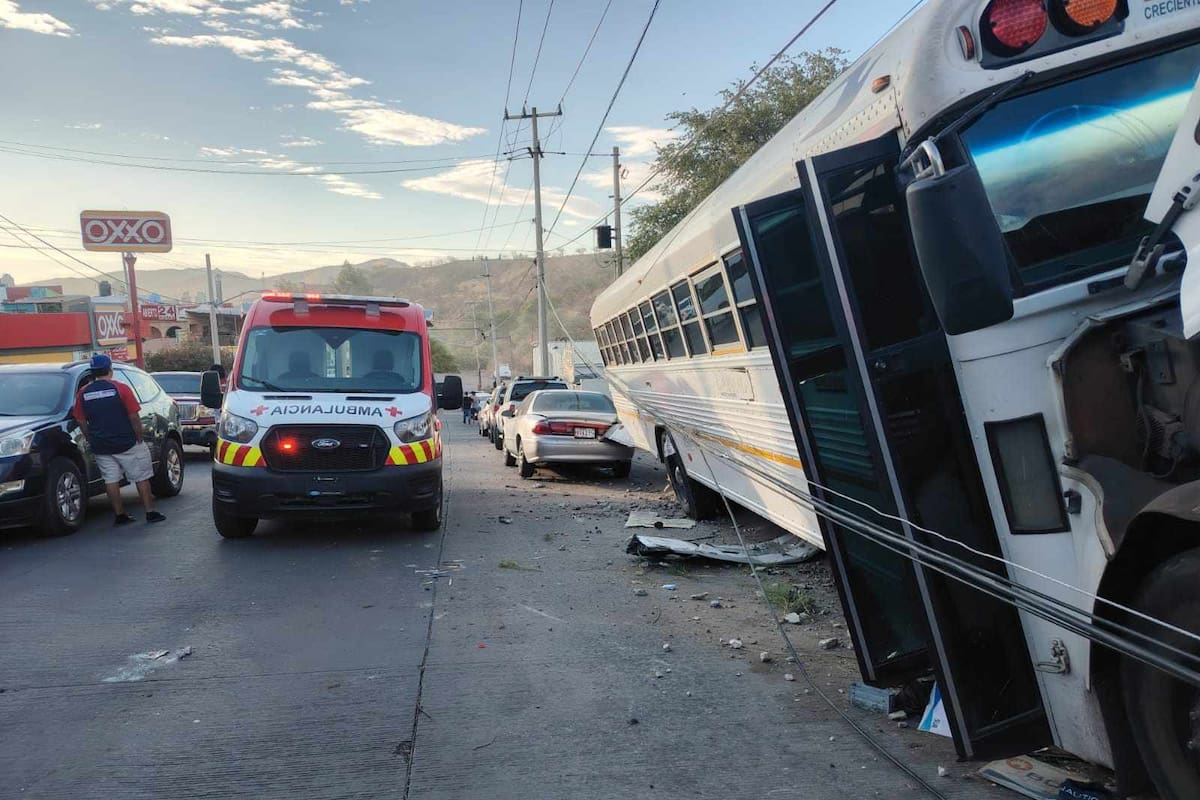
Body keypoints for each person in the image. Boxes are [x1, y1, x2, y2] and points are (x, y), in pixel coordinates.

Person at [73, 354, 165, 525]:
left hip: (101, 445)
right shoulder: (121, 389)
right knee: (141, 477)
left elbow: (80, 419)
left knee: (111, 480)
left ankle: (120, 514)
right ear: (110, 370)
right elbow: (134, 416)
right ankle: (150, 512)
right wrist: (138, 437)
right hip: (127, 442)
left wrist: (90, 437)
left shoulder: (83, 393)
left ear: (92, 372)